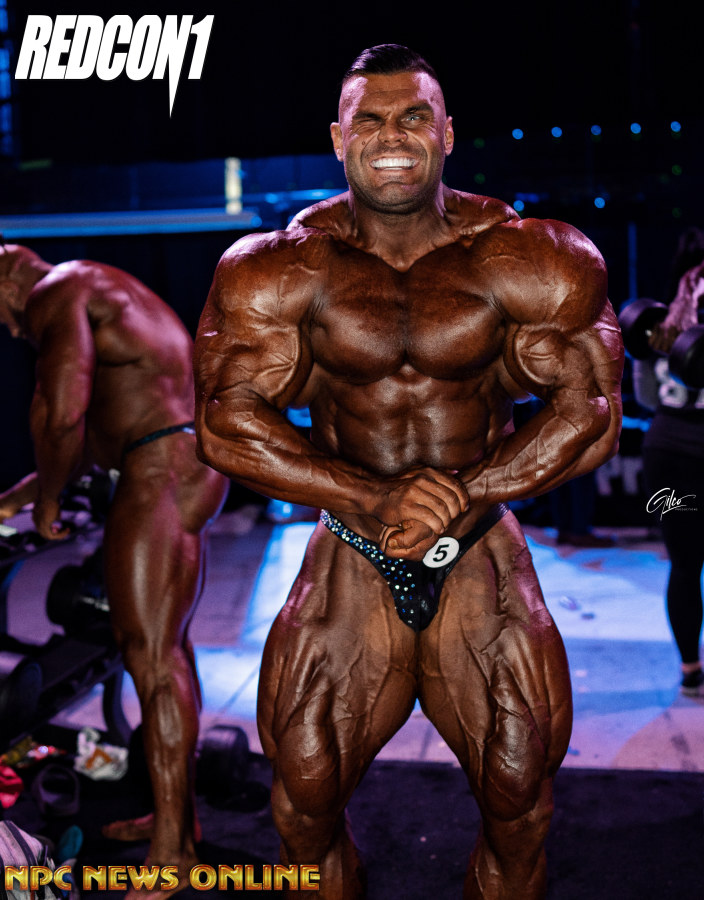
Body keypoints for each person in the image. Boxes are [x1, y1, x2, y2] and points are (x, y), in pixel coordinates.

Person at [194, 44, 623, 899]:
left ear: (448, 133)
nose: (392, 137)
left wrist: (465, 491)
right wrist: (374, 493)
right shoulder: (278, 268)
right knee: (303, 804)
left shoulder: (529, 257)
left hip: (479, 548)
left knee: (520, 797)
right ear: (338, 137)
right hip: (351, 548)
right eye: (371, 120)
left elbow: (592, 413)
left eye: (414, 117)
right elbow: (224, 422)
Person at [0, 244, 228, 898]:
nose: (12, 331)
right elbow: (96, 430)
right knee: (167, 652)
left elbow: (60, 410)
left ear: (6, 275)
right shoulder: (98, 288)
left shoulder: (57, 290)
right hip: (173, 460)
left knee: (152, 659)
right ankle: (176, 822)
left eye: (3, 316)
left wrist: (46, 503)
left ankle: (173, 855)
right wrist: (20, 496)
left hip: (161, 469)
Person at [635, 228, 704, 697]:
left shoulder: (658, 324)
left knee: (684, 565)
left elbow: (648, 398)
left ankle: (690, 671)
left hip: (665, 454)